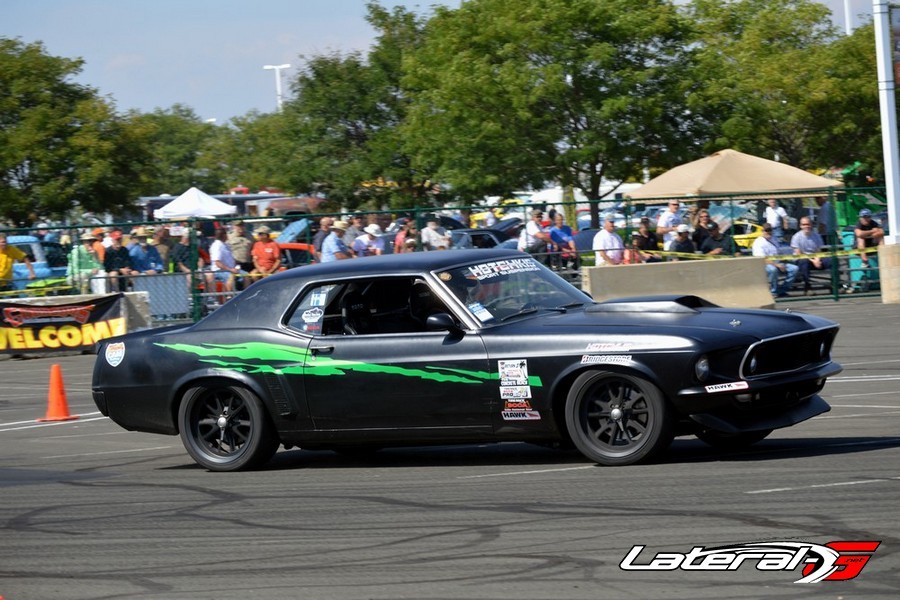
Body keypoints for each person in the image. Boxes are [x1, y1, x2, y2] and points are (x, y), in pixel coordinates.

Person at [752, 223, 798, 297]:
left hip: (778, 263)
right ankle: (773, 291)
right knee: (773, 270)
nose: (768, 232)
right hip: (764, 265)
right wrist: (777, 265)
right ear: (762, 231)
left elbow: (779, 252)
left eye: (770, 230)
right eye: (766, 230)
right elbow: (762, 259)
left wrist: (784, 260)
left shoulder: (774, 239)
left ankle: (782, 290)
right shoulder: (758, 242)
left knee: (794, 268)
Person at [790, 216, 831, 295]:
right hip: (802, 260)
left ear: (811, 225)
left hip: (815, 258)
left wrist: (817, 260)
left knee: (832, 260)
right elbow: (799, 254)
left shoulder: (817, 236)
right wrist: (813, 261)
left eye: (808, 224)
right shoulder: (796, 237)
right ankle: (807, 287)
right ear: (800, 226)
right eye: (804, 224)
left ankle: (835, 285)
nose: (806, 226)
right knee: (804, 262)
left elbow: (818, 251)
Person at [209, 227, 243, 293]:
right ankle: (229, 297)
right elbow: (217, 263)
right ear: (223, 235)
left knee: (246, 275)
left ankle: (246, 297)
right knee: (231, 276)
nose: (227, 235)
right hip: (219, 271)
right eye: (226, 234)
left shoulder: (225, 245)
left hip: (231, 269)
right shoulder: (217, 246)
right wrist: (231, 270)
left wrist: (236, 266)